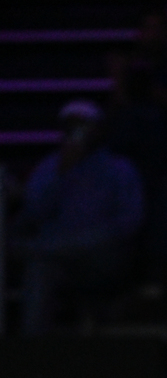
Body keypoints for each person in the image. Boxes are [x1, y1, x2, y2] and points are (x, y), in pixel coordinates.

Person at [14, 100, 144, 335]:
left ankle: (34, 249)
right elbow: (33, 213)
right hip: (58, 258)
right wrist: (61, 173)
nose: (78, 132)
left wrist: (93, 239)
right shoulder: (50, 166)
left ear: (99, 129)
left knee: (44, 249)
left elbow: (130, 221)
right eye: (72, 126)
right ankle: (32, 350)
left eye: (85, 125)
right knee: (39, 268)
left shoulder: (120, 168)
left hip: (101, 258)